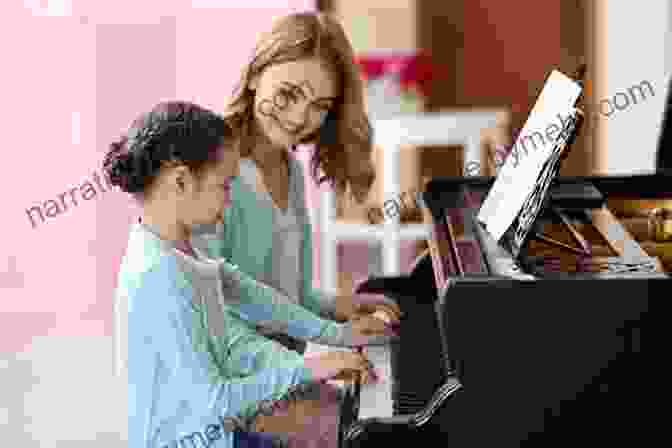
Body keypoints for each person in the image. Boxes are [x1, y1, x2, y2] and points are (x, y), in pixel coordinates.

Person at [109, 101, 391, 448]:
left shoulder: (179, 247)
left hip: (218, 430)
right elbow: (214, 402)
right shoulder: (158, 276)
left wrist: (338, 334)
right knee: (346, 431)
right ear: (181, 182)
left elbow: (255, 296)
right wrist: (312, 369)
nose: (230, 201)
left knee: (343, 418)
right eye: (225, 186)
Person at [191, 11, 402, 357]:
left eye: (318, 106)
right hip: (239, 382)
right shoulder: (211, 170)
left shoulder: (290, 168)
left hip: (282, 368)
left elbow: (285, 295)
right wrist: (332, 339)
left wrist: (336, 306)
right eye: (288, 95)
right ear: (256, 74)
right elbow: (211, 312)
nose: (299, 118)